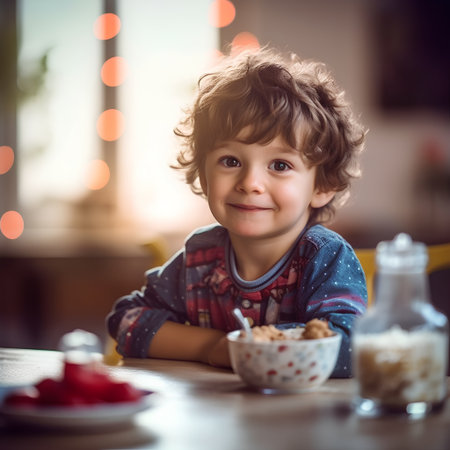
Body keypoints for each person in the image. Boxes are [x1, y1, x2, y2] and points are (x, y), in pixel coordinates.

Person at [106, 46, 368, 377]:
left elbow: (348, 349)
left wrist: (250, 347)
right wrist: (215, 348)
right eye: (230, 161)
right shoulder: (200, 256)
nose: (250, 182)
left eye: (279, 164)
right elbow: (127, 321)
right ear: (203, 174)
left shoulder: (325, 257)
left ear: (322, 186)